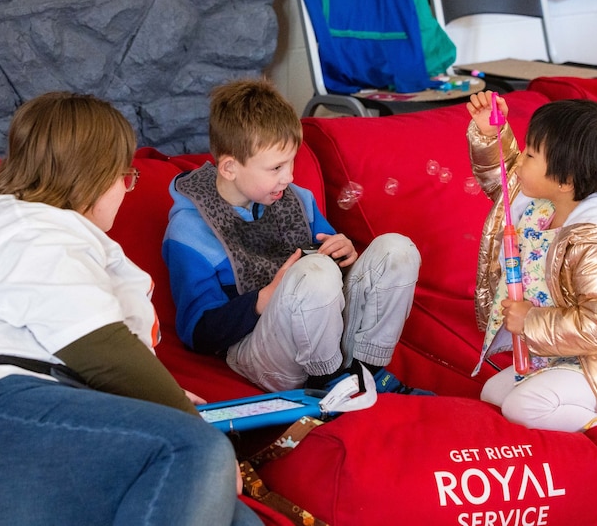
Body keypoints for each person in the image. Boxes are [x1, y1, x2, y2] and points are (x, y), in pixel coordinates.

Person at [0, 92, 261, 526]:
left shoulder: (58, 235)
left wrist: (153, 402)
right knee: (194, 448)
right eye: (126, 175)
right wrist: (179, 412)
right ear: (94, 174)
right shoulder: (19, 223)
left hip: (18, 427)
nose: (127, 188)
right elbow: (98, 348)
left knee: (234, 518)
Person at [163, 78, 429, 396]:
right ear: (230, 168)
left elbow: (332, 274)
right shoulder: (190, 231)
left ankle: (367, 372)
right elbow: (198, 333)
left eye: (292, 162)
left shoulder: (298, 199)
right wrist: (265, 297)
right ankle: (329, 384)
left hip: (323, 335)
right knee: (313, 272)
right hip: (259, 350)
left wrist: (344, 252)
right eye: (275, 167)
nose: (288, 177)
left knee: (396, 249)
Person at [466, 91, 597, 485]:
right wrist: (491, 135)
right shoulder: (545, 201)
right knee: (494, 395)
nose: (520, 161)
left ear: (565, 180)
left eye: (529, 153)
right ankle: (585, 424)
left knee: (524, 408)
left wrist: (532, 321)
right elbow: (508, 181)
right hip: (561, 352)